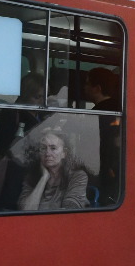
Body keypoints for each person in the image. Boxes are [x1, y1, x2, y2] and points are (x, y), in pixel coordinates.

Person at [17, 127, 90, 210]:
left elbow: (70, 210)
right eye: (43, 148)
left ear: (64, 153)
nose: (47, 153)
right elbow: (26, 211)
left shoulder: (77, 176)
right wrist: (44, 178)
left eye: (53, 148)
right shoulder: (32, 177)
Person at [84, 67, 121, 204]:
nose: (84, 87)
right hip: (118, 168)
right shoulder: (121, 108)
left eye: (87, 83)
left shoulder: (95, 114)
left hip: (101, 169)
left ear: (97, 88)